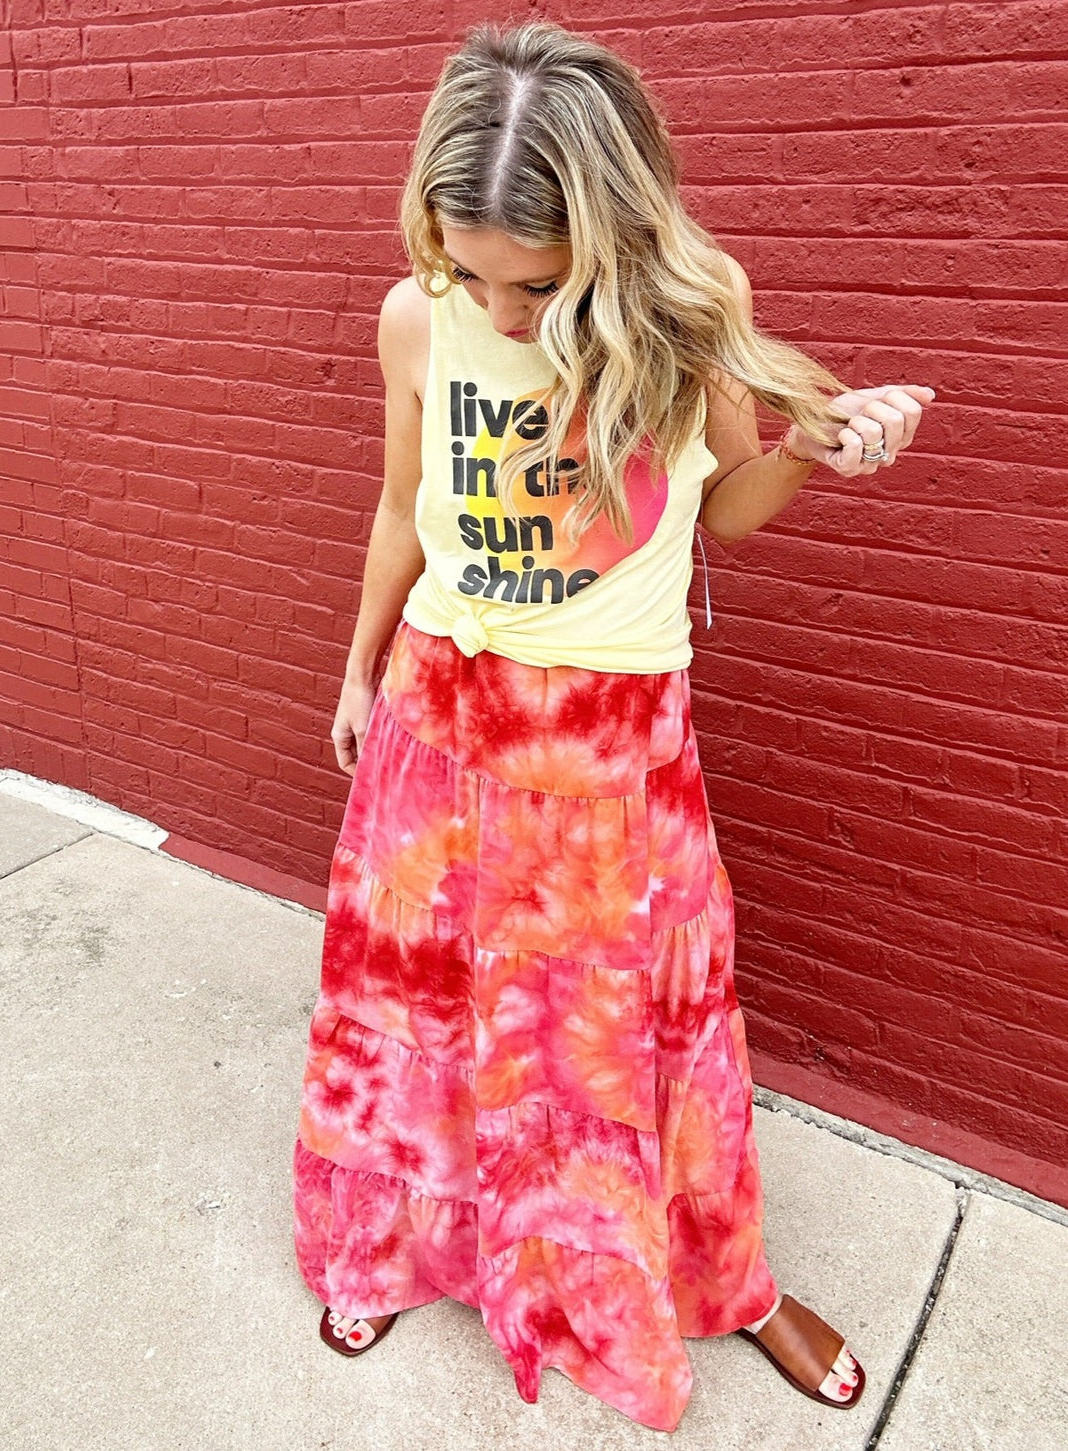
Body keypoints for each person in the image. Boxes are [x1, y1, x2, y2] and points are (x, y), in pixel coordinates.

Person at [292, 19, 933, 1434]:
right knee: (421, 1007)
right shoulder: (418, 317)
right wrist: (356, 671)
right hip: (440, 718)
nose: (502, 310)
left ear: (616, 236)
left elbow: (726, 513)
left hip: (615, 747)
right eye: (472, 272)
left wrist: (809, 450)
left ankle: (721, 1282)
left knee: (641, 1030)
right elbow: (404, 510)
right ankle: (397, 1242)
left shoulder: (695, 308)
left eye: (539, 281)